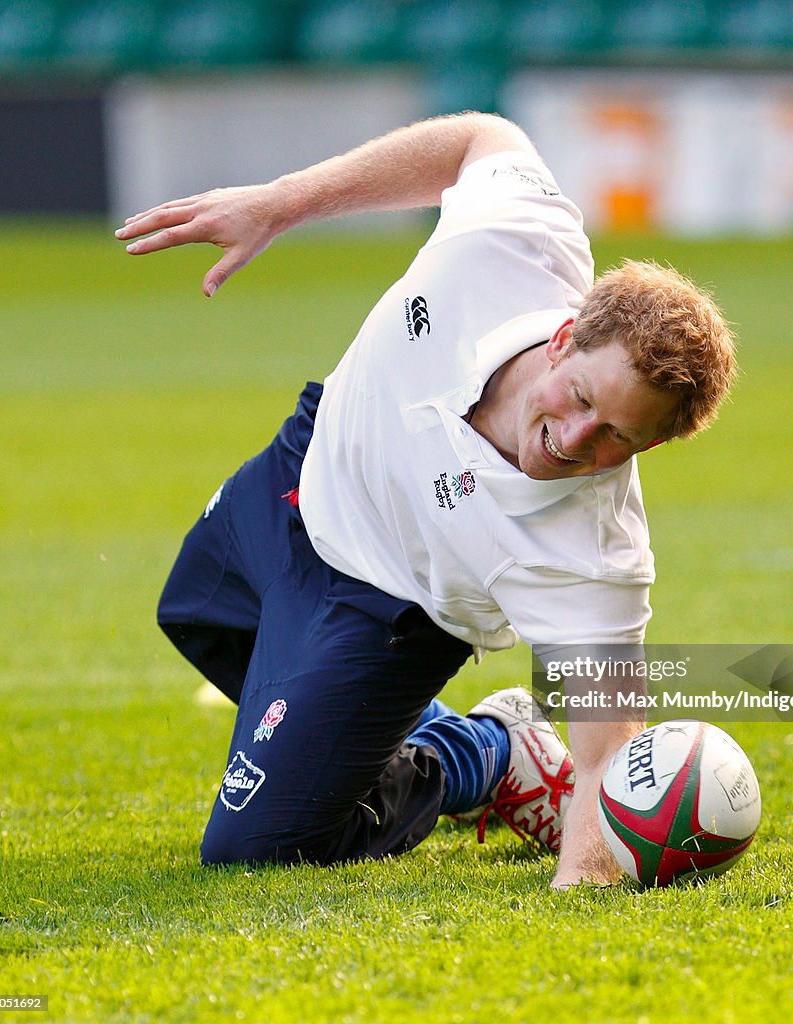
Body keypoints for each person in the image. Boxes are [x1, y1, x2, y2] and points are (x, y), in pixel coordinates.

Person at [116, 112, 734, 888]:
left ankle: (481, 753)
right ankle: (433, 735)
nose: (575, 439)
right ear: (563, 337)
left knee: (253, 846)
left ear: (655, 446)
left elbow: (606, 753)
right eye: (578, 397)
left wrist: (583, 888)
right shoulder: (519, 241)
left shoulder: (594, 558)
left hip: (384, 617)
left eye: (617, 436)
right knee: (194, 613)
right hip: (307, 471)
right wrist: (279, 202)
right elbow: (478, 137)